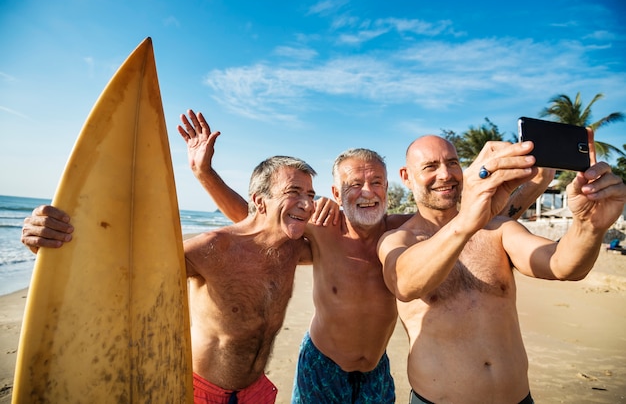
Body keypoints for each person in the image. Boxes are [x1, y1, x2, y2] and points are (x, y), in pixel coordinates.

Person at [175, 110, 555, 403]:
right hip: (322, 365)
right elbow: (260, 221)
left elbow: (485, 214)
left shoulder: (409, 232)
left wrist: (535, 182)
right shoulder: (323, 231)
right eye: (354, 184)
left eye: (376, 182)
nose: (367, 191)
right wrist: (205, 173)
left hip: (376, 369)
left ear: (390, 186)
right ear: (337, 192)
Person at [22, 155, 318, 404]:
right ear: (260, 201)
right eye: (294, 191)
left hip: (256, 392)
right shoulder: (213, 247)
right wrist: (53, 244)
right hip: (200, 391)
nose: (307, 204)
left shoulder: (294, 249)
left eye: (311, 194)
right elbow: (125, 270)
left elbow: (350, 249)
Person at [376, 135, 626, 404]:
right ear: (406, 176)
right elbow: (405, 283)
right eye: (430, 167)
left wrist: (589, 226)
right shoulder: (398, 239)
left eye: (452, 163)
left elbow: (563, 265)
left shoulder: (497, 229)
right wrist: (467, 221)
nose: (445, 174)